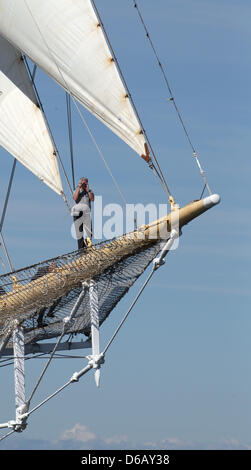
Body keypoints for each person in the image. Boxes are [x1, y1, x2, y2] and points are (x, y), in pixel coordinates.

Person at [31, 262, 57, 327]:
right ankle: (38, 319)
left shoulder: (54, 273)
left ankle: (49, 312)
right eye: (52, 268)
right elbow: (35, 279)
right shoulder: (42, 270)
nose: (52, 270)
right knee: (43, 304)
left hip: (45, 290)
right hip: (36, 289)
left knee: (58, 297)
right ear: (49, 267)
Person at [72, 177, 94, 250]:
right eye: (83, 182)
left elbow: (92, 199)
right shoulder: (76, 190)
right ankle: (81, 249)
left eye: (86, 183)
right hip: (78, 213)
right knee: (79, 233)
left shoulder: (89, 191)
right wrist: (79, 187)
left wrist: (88, 190)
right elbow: (75, 199)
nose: (85, 184)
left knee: (89, 231)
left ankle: (88, 247)